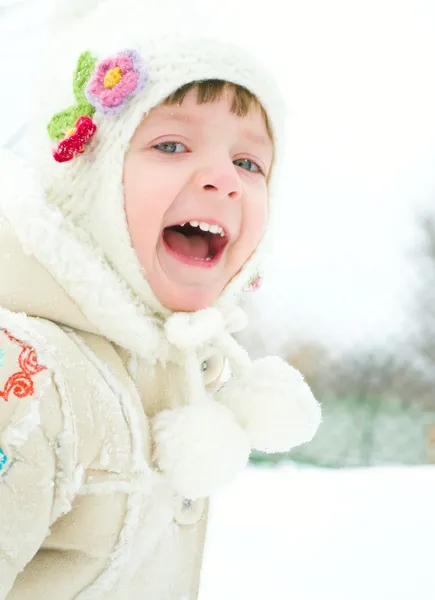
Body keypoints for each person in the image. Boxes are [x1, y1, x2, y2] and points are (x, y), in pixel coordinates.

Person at [0, 0, 321, 598]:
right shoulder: (26, 379)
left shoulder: (167, 371)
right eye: (172, 146)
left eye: (248, 161)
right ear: (84, 187)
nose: (223, 178)